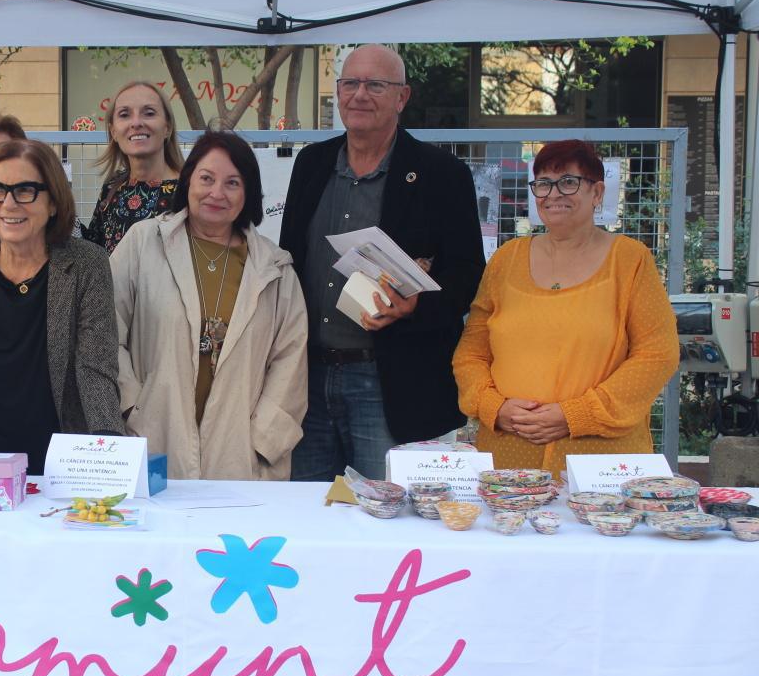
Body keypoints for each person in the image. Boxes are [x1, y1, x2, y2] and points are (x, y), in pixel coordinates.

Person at [279, 44, 486, 481]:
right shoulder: (311, 164)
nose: (360, 95)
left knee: (389, 514)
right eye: (350, 83)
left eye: (376, 85)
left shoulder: (440, 173)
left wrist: (417, 306)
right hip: (309, 378)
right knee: (311, 516)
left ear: (402, 97)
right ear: (337, 93)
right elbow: (291, 261)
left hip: (391, 381)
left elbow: (468, 274)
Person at [453, 140, 679, 475]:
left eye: (569, 182)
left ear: (597, 192)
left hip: (601, 466)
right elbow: (471, 353)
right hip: (509, 459)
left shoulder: (630, 260)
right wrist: (493, 407)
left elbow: (657, 354)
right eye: (543, 183)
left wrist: (577, 415)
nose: (553, 194)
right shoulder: (506, 260)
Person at [113, 131, 308, 480]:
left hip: (241, 449)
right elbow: (105, 329)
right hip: (155, 434)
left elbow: (290, 360)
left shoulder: (274, 268)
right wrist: (132, 407)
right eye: (206, 178)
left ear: (248, 193)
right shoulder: (143, 244)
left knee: (235, 535)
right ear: (188, 181)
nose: (217, 193)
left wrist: (263, 440)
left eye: (232, 183)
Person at [0, 139, 122, 473]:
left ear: (54, 201)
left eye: (25, 190)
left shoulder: (87, 264)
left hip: (60, 469)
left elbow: (96, 369)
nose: (8, 204)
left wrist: (108, 453)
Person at [85, 81, 184, 254]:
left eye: (149, 113)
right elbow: (94, 252)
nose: (136, 122)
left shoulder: (190, 190)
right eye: (124, 115)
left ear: (167, 127)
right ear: (113, 131)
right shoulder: (111, 188)